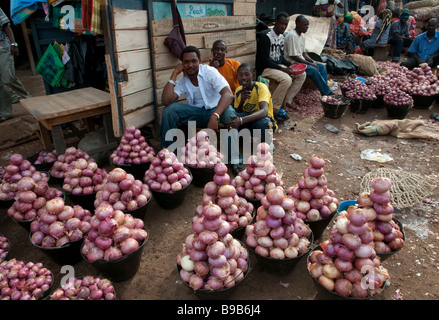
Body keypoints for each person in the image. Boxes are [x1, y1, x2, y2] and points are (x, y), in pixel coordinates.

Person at [161, 45, 244, 174]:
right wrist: (174, 73)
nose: (190, 65)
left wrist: (215, 115)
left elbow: (228, 94)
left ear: (199, 61)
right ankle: (169, 158)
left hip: (218, 111)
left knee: (230, 114)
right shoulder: (183, 80)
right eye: (186, 62)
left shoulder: (209, 72)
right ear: (182, 64)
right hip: (197, 114)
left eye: (194, 61)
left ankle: (235, 162)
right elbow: (166, 101)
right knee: (169, 110)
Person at [256, 12, 306, 121]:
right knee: (286, 79)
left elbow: (281, 58)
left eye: (285, 24)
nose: (283, 26)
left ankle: (287, 101)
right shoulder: (266, 37)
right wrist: (283, 69)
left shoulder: (282, 37)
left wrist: (291, 65)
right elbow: (265, 61)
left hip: (276, 66)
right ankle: (273, 108)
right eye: (281, 23)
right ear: (276, 23)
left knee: (302, 74)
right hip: (265, 68)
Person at [225, 63, 276, 145]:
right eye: (240, 75)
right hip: (248, 122)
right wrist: (242, 101)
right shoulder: (238, 91)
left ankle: (267, 144)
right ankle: (236, 142)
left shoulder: (261, 87)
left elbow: (264, 111)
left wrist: (241, 120)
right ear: (237, 77)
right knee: (230, 118)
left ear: (253, 75)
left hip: (263, 121)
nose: (243, 77)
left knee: (262, 123)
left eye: (247, 74)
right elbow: (238, 112)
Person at [284, 15, 333, 97]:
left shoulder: (302, 35)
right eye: (305, 25)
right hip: (293, 64)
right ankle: (326, 92)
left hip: (301, 62)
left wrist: (312, 61)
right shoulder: (292, 36)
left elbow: (303, 53)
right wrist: (310, 64)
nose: (307, 27)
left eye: (307, 25)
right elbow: (294, 56)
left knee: (322, 67)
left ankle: (325, 90)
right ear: (298, 24)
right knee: (313, 71)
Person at [0, 7, 32, 123]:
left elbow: (6, 26)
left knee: (8, 79)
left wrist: (14, 43)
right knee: (0, 85)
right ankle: (6, 113)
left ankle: (28, 98)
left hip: (3, 48)